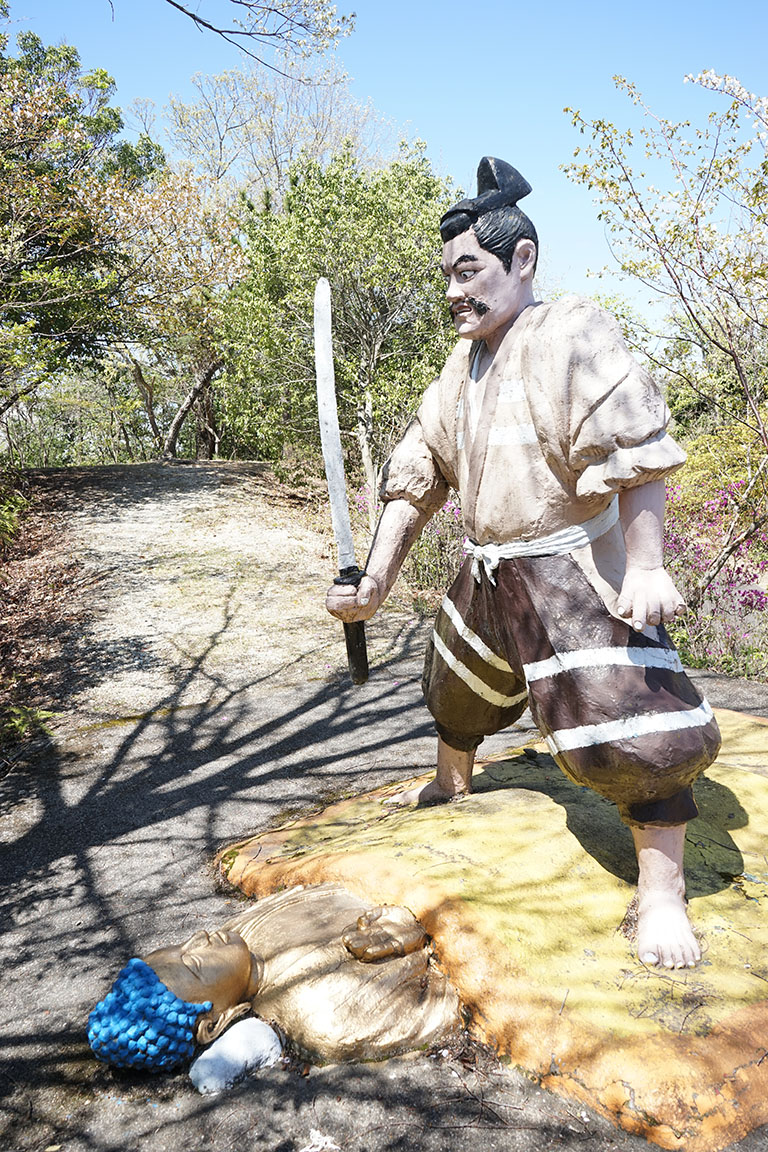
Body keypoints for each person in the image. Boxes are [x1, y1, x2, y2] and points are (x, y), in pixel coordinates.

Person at [326, 157, 721, 972]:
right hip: (487, 569)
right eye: (447, 275)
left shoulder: (572, 331)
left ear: (523, 261)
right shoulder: (456, 368)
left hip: (572, 568)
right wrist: (374, 581)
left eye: (468, 270)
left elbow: (639, 453)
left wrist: (645, 566)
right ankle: (451, 782)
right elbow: (416, 481)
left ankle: (661, 890)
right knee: (452, 687)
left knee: (638, 733)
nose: (452, 291)